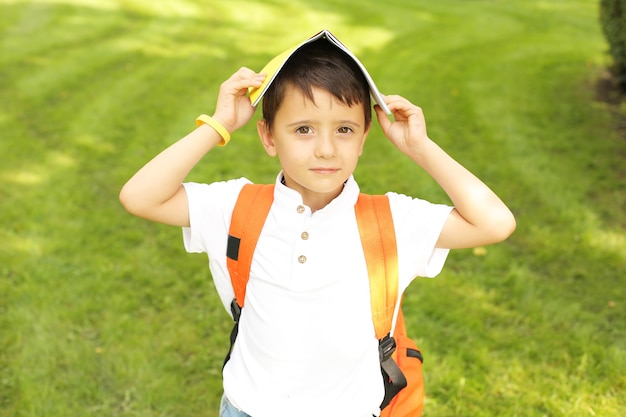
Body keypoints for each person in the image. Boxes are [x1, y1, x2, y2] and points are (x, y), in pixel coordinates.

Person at [119, 34, 516, 417]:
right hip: (248, 408)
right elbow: (140, 196)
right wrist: (219, 124)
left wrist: (420, 148)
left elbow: (494, 223)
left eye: (344, 129)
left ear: (363, 138)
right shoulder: (234, 206)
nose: (326, 149)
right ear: (269, 136)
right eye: (303, 129)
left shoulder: (391, 221)